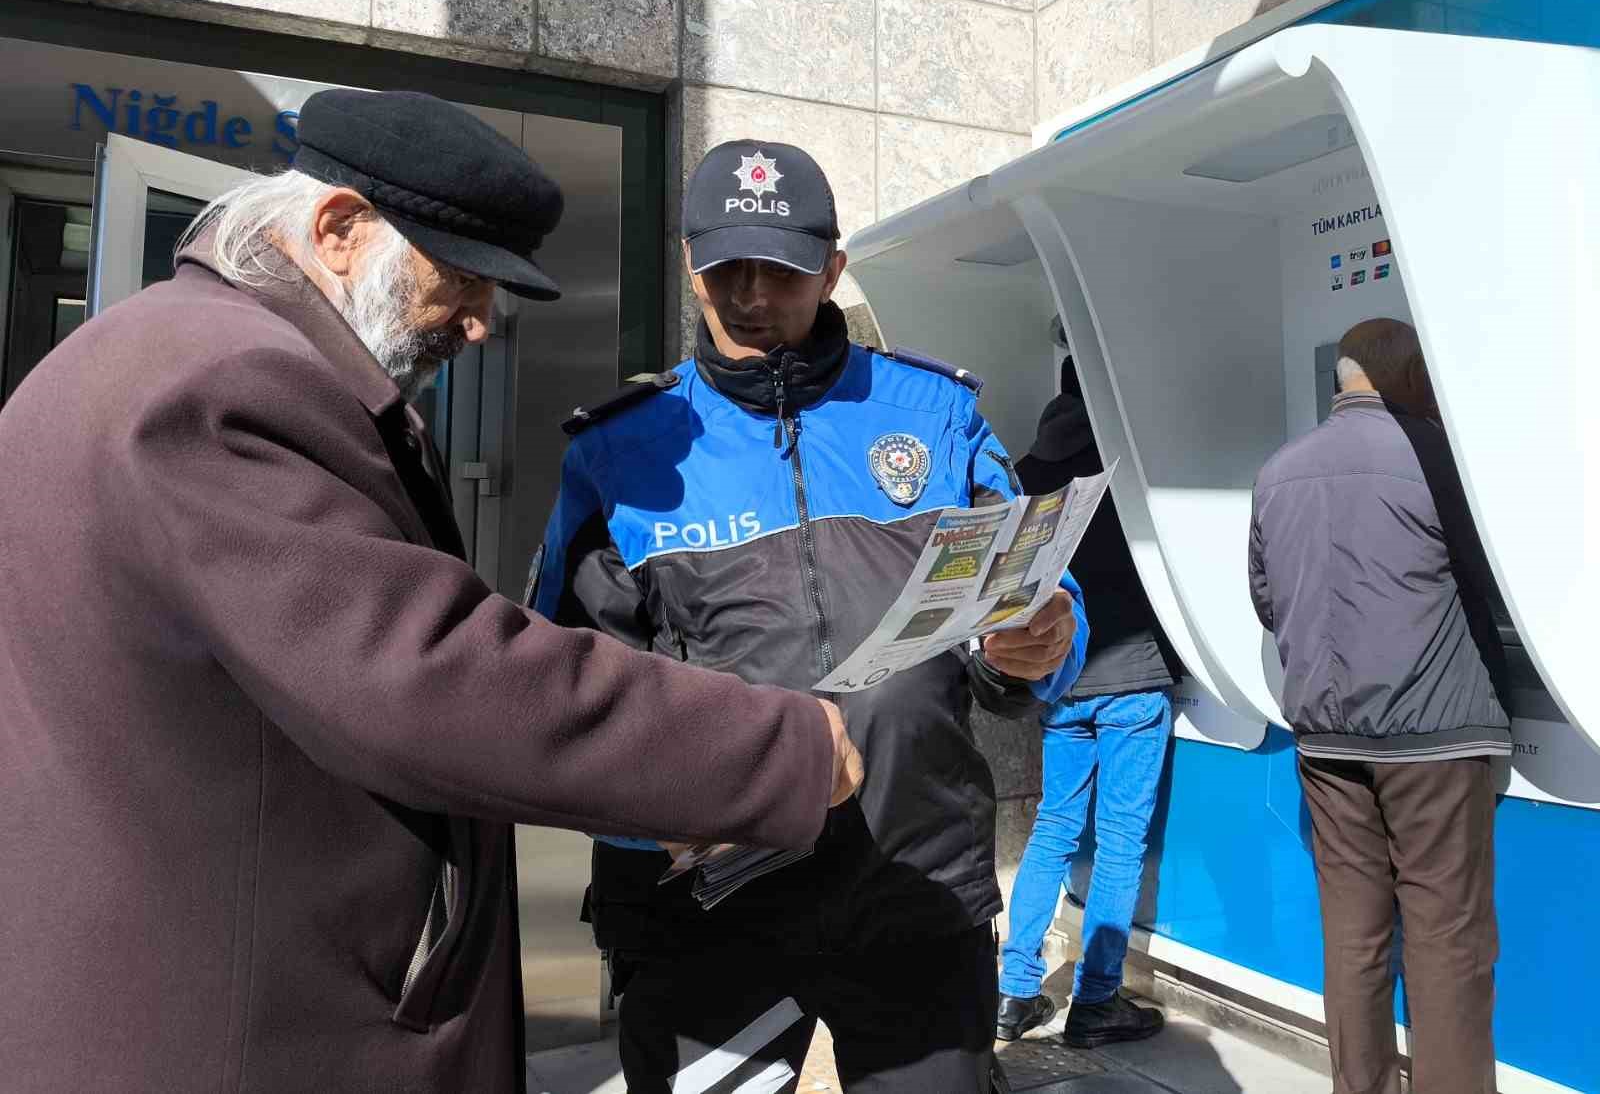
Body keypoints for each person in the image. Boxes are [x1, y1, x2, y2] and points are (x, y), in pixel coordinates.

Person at [0, 91, 863, 1094]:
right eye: (461, 279)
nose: (483, 323)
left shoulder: (153, 348)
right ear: (338, 228)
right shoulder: (229, 388)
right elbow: (430, 673)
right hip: (235, 1028)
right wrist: (776, 747)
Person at [533, 139, 1089, 1093]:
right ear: (690, 266)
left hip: (912, 882)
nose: (752, 294)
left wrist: (1045, 637)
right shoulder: (622, 451)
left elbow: (1031, 585)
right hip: (711, 907)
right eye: (727, 269)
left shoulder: (935, 413)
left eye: (783, 269)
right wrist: (643, 831)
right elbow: (571, 679)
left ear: (832, 267)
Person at [1248, 317, 1509, 1094]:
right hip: (1433, 735)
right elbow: (1492, 583)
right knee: (1446, 936)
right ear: (1413, 378)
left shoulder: (1278, 469)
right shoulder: (1437, 456)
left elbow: (1267, 601)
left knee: (1354, 934)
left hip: (1326, 738)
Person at [995, 353, 1175, 1049]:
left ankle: (1014, 993)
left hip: (1063, 678)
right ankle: (1096, 1002)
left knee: (1053, 829)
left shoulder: (1025, 471)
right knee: (1121, 842)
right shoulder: (1131, 459)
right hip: (1133, 677)